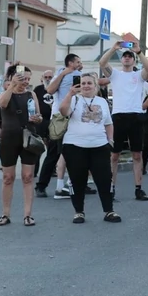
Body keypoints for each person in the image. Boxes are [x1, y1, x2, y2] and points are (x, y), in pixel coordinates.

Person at [58, 73, 119, 223]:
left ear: (95, 86)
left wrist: (110, 140)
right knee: (78, 180)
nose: (86, 86)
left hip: (99, 146)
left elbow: (108, 123)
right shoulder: (74, 99)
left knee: (104, 179)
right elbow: (63, 111)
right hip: (75, 146)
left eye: (89, 83)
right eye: (83, 83)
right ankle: (79, 212)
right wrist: (70, 93)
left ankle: (109, 211)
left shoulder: (102, 102)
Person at [99, 42, 148, 202]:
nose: (128, 58)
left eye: (130, 57)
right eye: (125, 56)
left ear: (134, 61)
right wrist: (114, 48)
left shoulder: (138, 76)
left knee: (137, 154)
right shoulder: (115, 74)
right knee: (114, 155)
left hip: (136, 116)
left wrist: (139, 52)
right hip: (119, 116)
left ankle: (138, 188)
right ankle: (111, 188)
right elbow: (102, 63)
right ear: (122, 60)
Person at [0, 65, 42, 227]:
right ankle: (5, 214)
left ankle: (28, 215)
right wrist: (12, 86)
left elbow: (38, 115)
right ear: (13, 77)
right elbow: (2, 104)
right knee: (8, 177)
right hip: (9, 138)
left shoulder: (31, 94)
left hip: (28, 137)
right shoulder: (5, 93)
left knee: (28, 176)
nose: (26, 82)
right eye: (23, 78)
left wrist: (38, 119)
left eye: (28, 79)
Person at [45, 53, 82, 199]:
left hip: (70, 114)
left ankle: (64, 185)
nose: (80, 64)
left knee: (64, 151)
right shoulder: (61, 72)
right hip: (62, 117)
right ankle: (62, 186)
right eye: (78, 61)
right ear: (71, 63)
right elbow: (50, 90)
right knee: (65, 151)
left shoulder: (77, 74)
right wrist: (63, 74)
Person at [33, 71, 56, 197]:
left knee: (53, 150)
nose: (48, 79)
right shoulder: (38, 90)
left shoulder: (57, 88)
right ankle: (38, 177)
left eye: (50, 77)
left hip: (56, 121)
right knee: (40, 148)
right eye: (46, 77)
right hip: (42, 122)